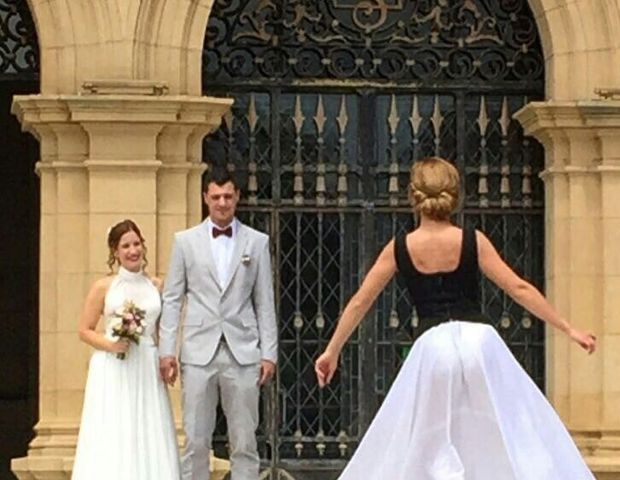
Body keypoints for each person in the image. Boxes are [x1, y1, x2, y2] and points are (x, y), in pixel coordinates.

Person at [315, 157, 597, 480]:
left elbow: (360, 301)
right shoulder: (472, 241)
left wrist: (332, 350)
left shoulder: (400, 247)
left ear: (413, 195)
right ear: (454, 194)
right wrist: (568, 328)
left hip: (432, 350)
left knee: (427, 439)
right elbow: (517, 287)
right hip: (480, 345)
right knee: (505, 430)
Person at [159, 166, 278, 480]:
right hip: (198, 351)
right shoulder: (185, 242)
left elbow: (264, 300)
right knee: (196, 440)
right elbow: (172, 299)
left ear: (237, 196)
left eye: (228, 196)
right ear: (205, 198)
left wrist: (269, 352)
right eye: (216, 197)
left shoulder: (257, 242)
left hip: (243, 351)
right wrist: (166, 351)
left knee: (244, 441)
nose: (222, 203)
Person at [72, 219, 180, 480]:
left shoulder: (156, 285)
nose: (133, 251)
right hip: (114, 365)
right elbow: (84, 330)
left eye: (136, 244)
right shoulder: (104, 287)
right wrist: (111, 344)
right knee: (115, 426)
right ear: (115, 252)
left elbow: (158, 329)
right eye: (125, 246)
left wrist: (167, 357)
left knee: (148, 426)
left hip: (146, 363)